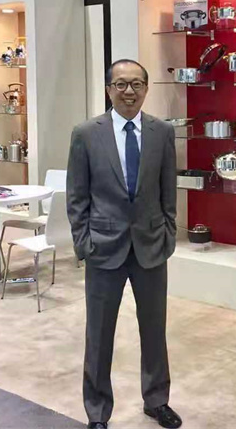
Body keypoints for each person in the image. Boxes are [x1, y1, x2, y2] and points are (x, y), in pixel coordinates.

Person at [67, 59, 182, 429]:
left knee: (154, 330)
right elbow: (77, 196)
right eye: (120, 84)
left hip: (151, 247)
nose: (128, 91)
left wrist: (168, 233)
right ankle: (97, 412)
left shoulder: (162, 132)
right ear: (108, 89)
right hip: (103, 248)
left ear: (146, 89)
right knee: (99, 335)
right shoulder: (86, 133)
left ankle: (157, 400)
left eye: (136, 84)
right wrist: (83, 242)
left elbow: (168, 190)